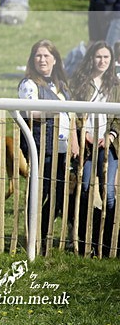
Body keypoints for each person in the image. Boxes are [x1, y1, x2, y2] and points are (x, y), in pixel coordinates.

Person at [18, 39, 78, 248]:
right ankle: (33, 238)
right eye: (38, 55)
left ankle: (42, 234)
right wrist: (54, 109)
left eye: (46, 56)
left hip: (62, 146)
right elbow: (29, 112)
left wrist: (74, 141)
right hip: (41, 146)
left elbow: (70, 115)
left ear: (54, 60)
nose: (42, 59)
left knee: (59, 194)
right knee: (40, 192)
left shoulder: (60, 85)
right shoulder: (29, 84)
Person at [70, 42, 119, 256]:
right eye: (99, 57)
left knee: (108, 192)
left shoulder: (115, 85)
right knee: (85, 188)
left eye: (106, 57)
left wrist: (110, 135)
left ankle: (108, 239)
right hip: (86, 144)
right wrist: (84, 134)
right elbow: (73, 112)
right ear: (92, 58)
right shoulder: (80, 82)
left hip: (108, 145)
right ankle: (83, 238)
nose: (102, 61)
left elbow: (118, 117)